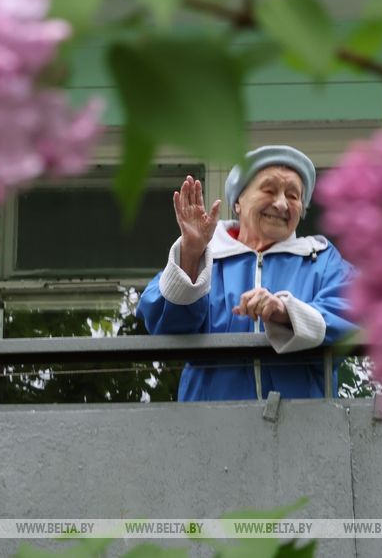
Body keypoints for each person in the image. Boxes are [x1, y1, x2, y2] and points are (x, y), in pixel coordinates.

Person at [137, 145, 357, 401]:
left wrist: (286, 312)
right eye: (269, 190)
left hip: (304, 420)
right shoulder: (208, 257)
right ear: (238, 202)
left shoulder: (321, 258)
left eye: (293, 195)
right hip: (211, 419)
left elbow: (356, 310)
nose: (281, 204)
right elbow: (164, 324)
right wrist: (191, 253)